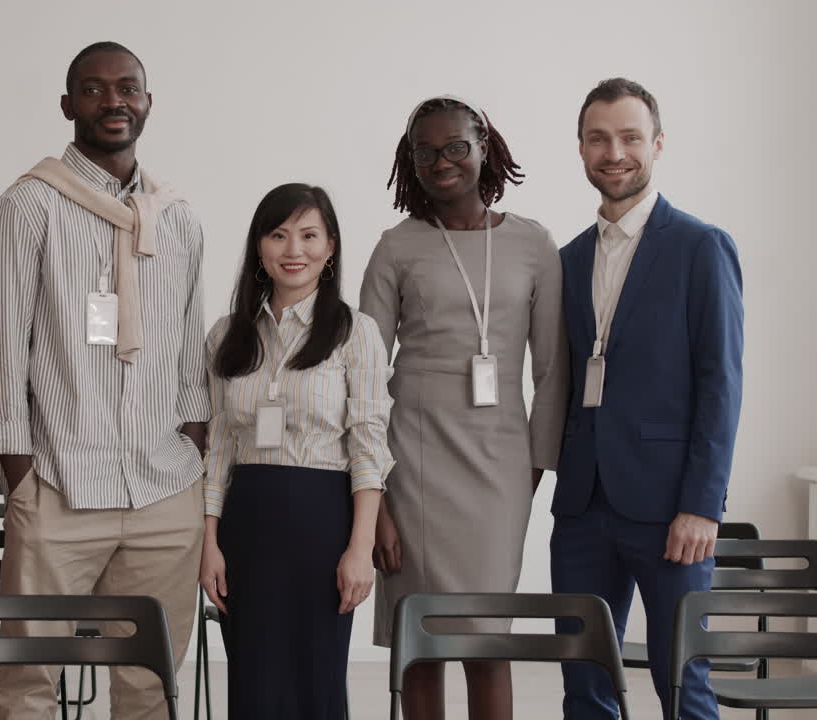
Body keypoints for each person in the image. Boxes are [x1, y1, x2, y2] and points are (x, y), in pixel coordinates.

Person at [0, 41, 208, 719]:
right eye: (94, 89)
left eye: (127, 88)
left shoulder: (177, 218)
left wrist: (189, 450)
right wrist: (22, 477)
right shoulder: (26, 206)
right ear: (67, 105)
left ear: (148, 103)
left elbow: (189, 356)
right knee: (28, 685)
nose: (113, 102)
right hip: (59, 484)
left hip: (164, 491)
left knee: (151, 685)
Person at [360, 95, 569, 720]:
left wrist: (532, 471)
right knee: (421, 640)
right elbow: (362, 378)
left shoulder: (534, 244)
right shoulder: (396, 247)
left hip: (501, 471)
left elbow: (551, 370)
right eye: (424, 152)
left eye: (455, 147)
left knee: (487, 639)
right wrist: (375, 495)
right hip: (413, 466)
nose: (441, 162)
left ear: (484, 147)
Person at [551, 77, 744, 720]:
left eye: (630, 137)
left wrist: (702, 506)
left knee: (683, 684)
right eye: (598, 138)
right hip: (582, 506)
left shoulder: (700, 247)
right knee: (584, 688)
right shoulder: (569, 259)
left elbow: (721, 383)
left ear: (658, 144)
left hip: (670, 511)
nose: (614, 153)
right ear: (581, 148)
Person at [199, 183, 392, 718]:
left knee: (316, 679)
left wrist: (360, 548)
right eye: (278, 235)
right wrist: (208, 542)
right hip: (246, 525)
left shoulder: (355, 333)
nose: (293, 250)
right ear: (259, 247)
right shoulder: (226, 336)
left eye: (309, 236)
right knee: (254, 680)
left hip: (321, 523)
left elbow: (369, 446)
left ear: (330, 247)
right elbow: (218, 446)